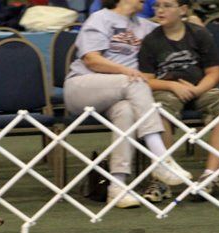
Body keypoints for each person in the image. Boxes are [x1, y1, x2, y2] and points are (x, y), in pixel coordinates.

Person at [64, 0, 192, 209]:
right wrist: (127, 72)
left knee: (126, 112)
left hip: (120, 92)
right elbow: (92, 60)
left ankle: (117, 187)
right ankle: (161, 159)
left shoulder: (145, 26)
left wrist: (190, 19)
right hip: (83, 85)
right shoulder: (100, 18)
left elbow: (175, 27)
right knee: (137, 82)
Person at [138, 0, 219, 201]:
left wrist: (198, 89)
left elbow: (214, 71)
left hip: (200, 87)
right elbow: (147, 80)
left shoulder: (199, 34)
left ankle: (211, 176)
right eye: (157, 6)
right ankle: (162, 179)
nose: (160, 10)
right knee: (158, 113)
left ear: (182, 10)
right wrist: (172, 86)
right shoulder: (150, 40)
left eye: (167, 6)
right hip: (168, 89)